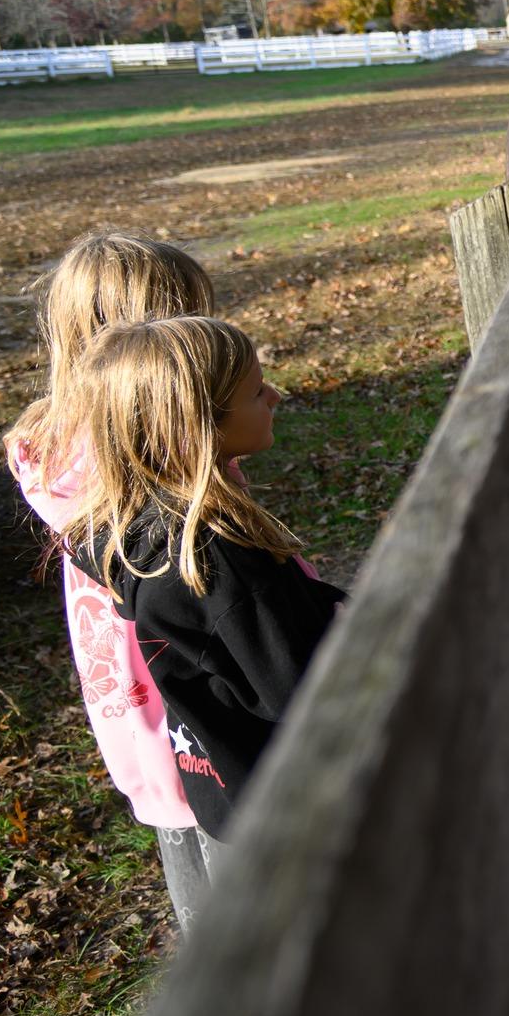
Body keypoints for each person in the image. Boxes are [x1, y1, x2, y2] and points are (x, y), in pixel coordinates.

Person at [62, 315, 344, 856]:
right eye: (256, 391)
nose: (275, 396)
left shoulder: (134, 535)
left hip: (224, 793)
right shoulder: (220, 560)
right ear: (198, 423)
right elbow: (303, 688)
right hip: (297, 814)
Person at [4, 231, 220, 931]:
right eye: (190, 319)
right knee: (226, 816)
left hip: (123, 685)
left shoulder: (50, 445)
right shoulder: (156, 445)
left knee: (175, 816)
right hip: (186, 659)